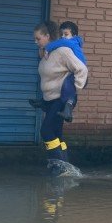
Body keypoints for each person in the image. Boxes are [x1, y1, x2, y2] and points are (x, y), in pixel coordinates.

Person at [32, 21, 88, 173]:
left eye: (38, 38)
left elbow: (81, 69)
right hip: (50, 101)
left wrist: (73, 92)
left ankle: (58, 167)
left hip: (60, 100)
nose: (35, 42)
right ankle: (66, 166)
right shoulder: (46, 54)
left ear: (47, 36)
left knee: (46, 131)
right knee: (57, 134)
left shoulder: (63, 51)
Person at [44, 21, 87, 122]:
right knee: (66, 88)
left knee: (68, 87)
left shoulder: (72, 42)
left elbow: (63, 42)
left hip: (79, 73)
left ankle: (67, 112)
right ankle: (66, 112)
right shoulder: (71, 43)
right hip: (74, 72)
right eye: (61, 34)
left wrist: (47, 48)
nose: (63, 37)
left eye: (66, 34)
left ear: (74, 35)